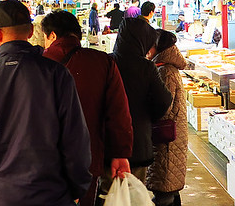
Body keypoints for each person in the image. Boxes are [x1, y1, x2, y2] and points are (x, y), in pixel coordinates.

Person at [0, 0, 91, 206]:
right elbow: (75, 141)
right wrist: (77, 188)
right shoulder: (58, 75)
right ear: (31, 31)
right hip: (52, 196)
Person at [41, 10, 132, 206]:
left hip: (40, 161)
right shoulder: (103, 62)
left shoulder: (35, 65)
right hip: (87, 160)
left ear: (52, 36)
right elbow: (118, 114)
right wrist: (120, 153)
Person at [109, 17, 173, 188]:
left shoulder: (107, 62)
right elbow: (164, 100)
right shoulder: (146, 67)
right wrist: (148, 116)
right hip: (137, 142)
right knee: (134, 193)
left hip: (109, 144)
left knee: (109, 194)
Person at [146, 31, 188, 206]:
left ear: (158, 47)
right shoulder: (166, 68)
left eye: (150, 45)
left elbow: (164, 106)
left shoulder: (165, 71)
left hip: (167, 140)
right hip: (171, 136)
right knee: (170, 187)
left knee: (164, 189)